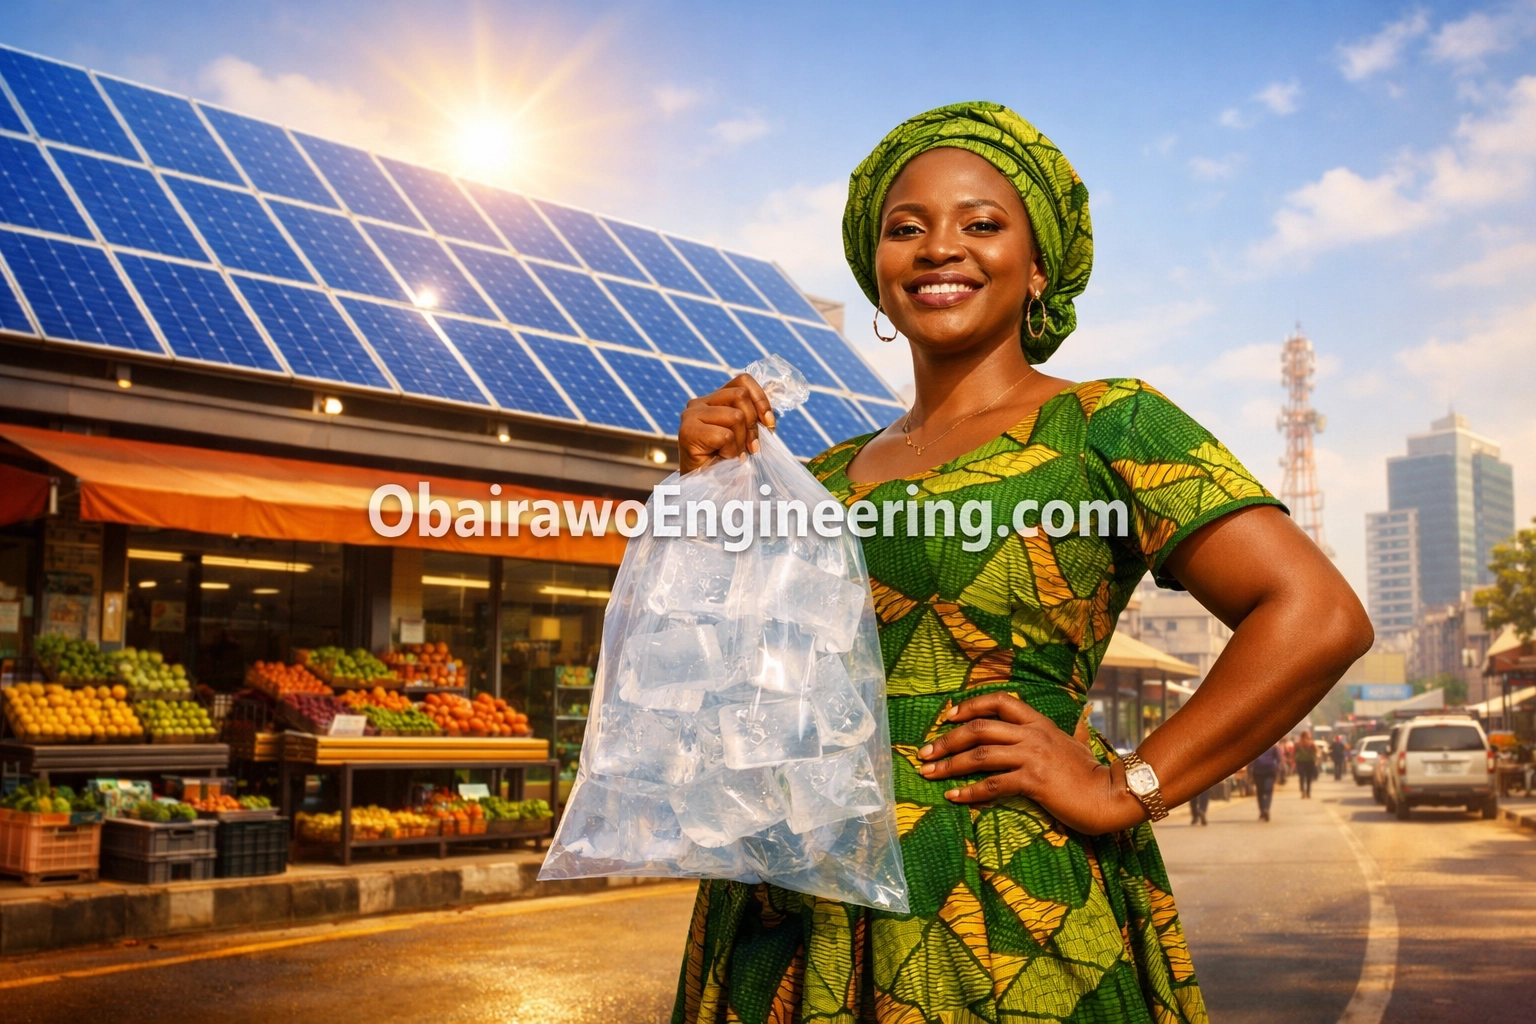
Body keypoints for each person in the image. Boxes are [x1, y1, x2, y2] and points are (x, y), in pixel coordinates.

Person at [671, 102, 1372, 1024]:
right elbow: (716, 675)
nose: (938, 247)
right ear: (876, 271)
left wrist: (1128, 783)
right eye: (906, 228)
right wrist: (709, 489)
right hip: (790, 907)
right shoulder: (819, 473)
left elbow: (1317, 615)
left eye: (982, 223)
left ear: (1039, 267)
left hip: (1000, 902)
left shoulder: (1105, 423)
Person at [1250, 744, 1282, 821]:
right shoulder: (1274, 746)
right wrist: (1276, 768)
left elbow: (1250, 760)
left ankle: (1262, 811)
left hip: (1258, 771)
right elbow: (1279, 759)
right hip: (1270, 771)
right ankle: (1266, 809)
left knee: (1260, 792)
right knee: (1268, 791)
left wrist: (1250, 772)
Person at [1294, 730, 1319, 798]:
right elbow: (1294, 753)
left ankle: (1307, 792)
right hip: (1301, 762)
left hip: (1310, 762)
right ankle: (1303, 791)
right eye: (1307, 735)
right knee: (1302, 777)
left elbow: (1316, 750)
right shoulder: (1298, 744)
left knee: (1309, 778)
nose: (1308, 736)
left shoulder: (1311, 743)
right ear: (1303, 736)